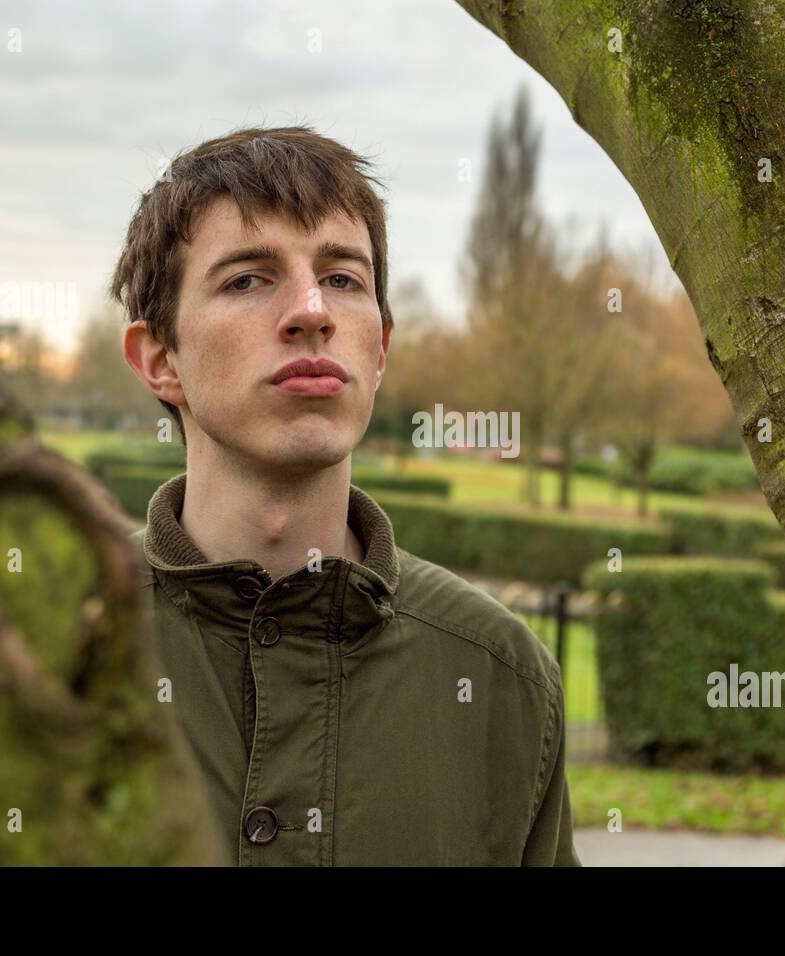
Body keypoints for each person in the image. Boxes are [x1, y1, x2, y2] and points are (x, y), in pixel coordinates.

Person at [113, 126, 580, 866]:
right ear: (160, 360)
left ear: (382, 347)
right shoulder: (38, 642)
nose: (311, 311)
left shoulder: (500, 676)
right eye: (247, 278)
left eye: (342, 278)